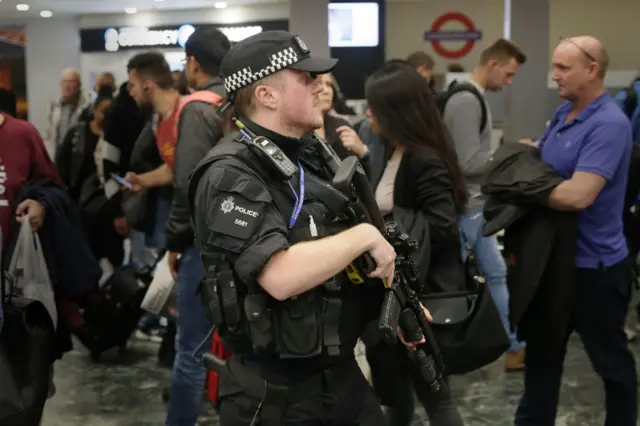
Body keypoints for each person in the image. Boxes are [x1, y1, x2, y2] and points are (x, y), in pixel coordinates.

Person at [188, 30, 426, 425]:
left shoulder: (312, 156)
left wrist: (396, 300)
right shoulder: (229, 173)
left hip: (342, 379)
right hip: (275, 397)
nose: (321, 87)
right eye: (306, 78)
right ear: (266, 95)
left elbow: (338, 247)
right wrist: (365, 236)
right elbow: (279, 275)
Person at [515, 36, 637, 426]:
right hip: (554, 265)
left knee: (611, 364)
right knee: (541, 363)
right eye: (554, 66)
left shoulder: (610, 124)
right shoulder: (563, 113)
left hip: (595, 269)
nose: (554, 76)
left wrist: (523, 187)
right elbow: (550, 167)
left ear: (592, 69)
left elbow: (579, 195)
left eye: (563, 68)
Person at [346, 60, 466, 426]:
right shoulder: (391, 151)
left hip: (422, 296)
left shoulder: (424, 159)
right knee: (394, 397)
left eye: (375, 107)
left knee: (436, 399)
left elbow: (444, 226)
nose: (368, 113)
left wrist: (387, 230)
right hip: (395, 295)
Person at [442, 38, 527, 371]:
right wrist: (509, 155)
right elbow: (465, 162)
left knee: (494, 274)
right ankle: (454, 350)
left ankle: (513, 345)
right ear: (493, 64)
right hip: (465, 207)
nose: (508, 82)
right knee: (469, 279)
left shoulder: (470, 97)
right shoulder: (466, 100)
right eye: (507, 74)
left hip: (473, 206)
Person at [164, 27, 230, 426]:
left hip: (201, 246)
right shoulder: (237, 103)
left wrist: (174, 241)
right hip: (240, 243)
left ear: (192, 63)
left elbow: (185, 181)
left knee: (190, 350)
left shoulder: (196, 107)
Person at [45, 68, 90, 161]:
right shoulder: (54, 106)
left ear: (78, 85)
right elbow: (49, 134)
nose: (67, 86)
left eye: (71, 82)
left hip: (79, 158)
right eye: (64, 82)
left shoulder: (87, 106)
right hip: (58, 157)